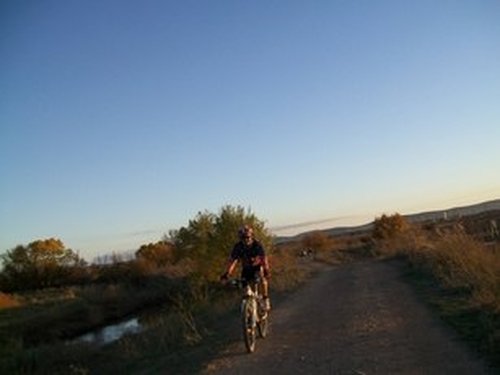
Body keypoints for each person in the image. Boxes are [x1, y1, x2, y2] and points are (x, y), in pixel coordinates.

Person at [220, 224, 271, 311]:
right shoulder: (238, 247)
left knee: (262, 279)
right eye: (243, 238)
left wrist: (266, 270)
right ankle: (250, 311)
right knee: (246, 289)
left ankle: (265, 299)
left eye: (248, 237)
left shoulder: (257, 245)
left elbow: (263, 258)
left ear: (251, 236)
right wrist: (227, 273)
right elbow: (233, 261)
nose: (246, 240)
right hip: (246, 269)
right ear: (240, 238)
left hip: (257, 267)